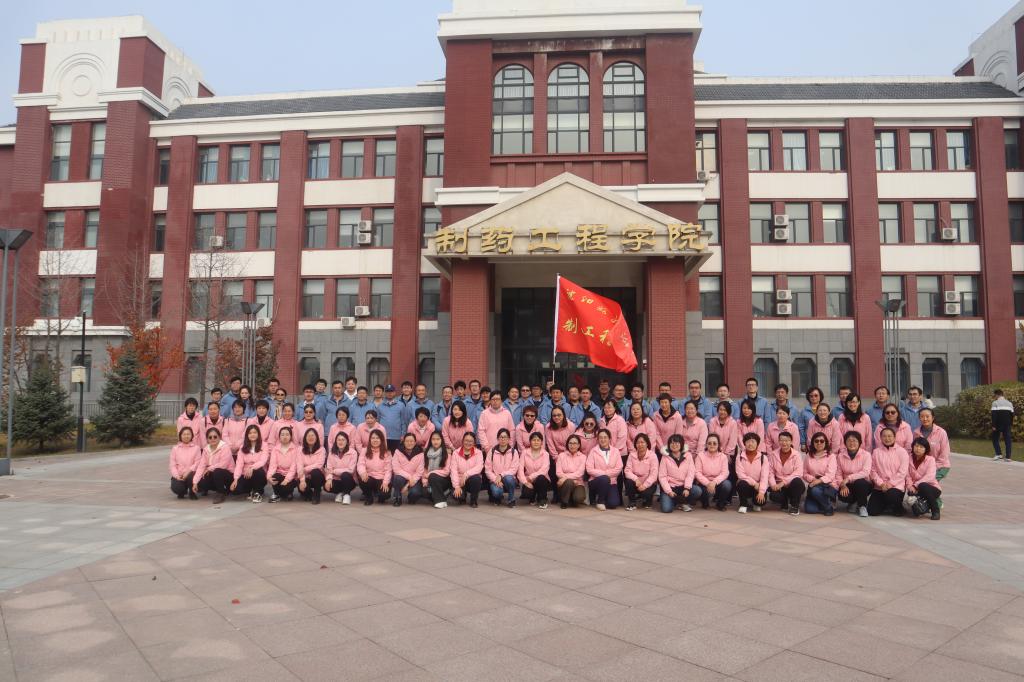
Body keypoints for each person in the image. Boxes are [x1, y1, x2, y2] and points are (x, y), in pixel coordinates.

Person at [867, 426, 910, 517]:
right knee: (872, 511)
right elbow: (872, 470)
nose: (887, 438)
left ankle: (898, 507)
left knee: (891, 495)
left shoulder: (902, 452)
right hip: (880, 486)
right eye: (884, 436)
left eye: (889, 436)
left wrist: (890, 484)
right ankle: (886, 505)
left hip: (896, 486)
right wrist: (881, 484)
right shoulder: (876, 452)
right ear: (880, 438)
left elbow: (902, 472)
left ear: (894, 437)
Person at [658, 434, 699, 513]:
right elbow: (662, 477)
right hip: (670, 487)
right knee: (666, 509)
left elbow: (690, 473)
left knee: (697, 491)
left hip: (683, 487)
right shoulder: (665, 457)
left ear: (681, 444)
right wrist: (669, 491)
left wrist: (687, 488)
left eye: (677, 443)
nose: (674, 445)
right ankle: (677, 501)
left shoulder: (688, 456)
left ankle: (682, 502)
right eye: (672, 443)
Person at [767, 431, 805, 515]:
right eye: (782, 440)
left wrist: (783, 482)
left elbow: (798, 473)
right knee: (773, 496)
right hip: (779, 485)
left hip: (792, 484)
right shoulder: (773, 454)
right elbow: (770, 471)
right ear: (778, 441)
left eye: (787, 440)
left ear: (791, 441)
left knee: (797, 481)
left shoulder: (796, 455)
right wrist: (773, 484)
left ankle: (794, 506)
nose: (784, 443)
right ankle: (784, 501)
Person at [835, 431, 872, 517]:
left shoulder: (866, 455)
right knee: (843, 495)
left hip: (863, 484)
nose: (852, 443)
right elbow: (838, 474)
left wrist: (848, 478)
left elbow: (865, 472)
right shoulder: (840, 456)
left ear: (860, 442)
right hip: (847, 484)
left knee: (860, 483)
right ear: (845, 443)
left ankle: (862, 506)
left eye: (854, 440)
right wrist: (842, 485)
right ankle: (853, 502)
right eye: (849, 441)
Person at [193, 427, 234, 503]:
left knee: (217, 471)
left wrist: (209, 468)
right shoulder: (206, 449)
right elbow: (201, 466)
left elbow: (223, 465)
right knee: (201, 481)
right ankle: (219, 489)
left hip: (228, 475)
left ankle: (221, 493)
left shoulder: (225, 447)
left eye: (215, 437)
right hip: (214, 473)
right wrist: (195, 482)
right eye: (210, 437)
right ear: (207, 439)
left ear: (219, 437)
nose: (213, 439)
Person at [585, 428, 622, 511]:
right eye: (600, 437)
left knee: (613, 503)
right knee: (604, 479)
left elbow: (619, 468)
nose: (603, 439)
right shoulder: (593, 451)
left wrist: (605, 474)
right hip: (595, 481)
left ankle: (602, 496)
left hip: (612, 482)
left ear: (609, 439)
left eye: (605, 437)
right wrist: (604, 475)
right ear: (598, 439)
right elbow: (589, 469)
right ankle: (600, 502)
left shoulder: (615, 451)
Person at [230, 425, 269, 502]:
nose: (252, 434)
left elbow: (263, 461)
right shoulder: (242, 447)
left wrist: (252, 468)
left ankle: (258, 492)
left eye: (255, 432)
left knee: (258, 471)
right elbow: (239, 464)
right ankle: (251, 490)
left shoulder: (264, 445)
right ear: (247, 435)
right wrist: (236, 479)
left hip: (259, 474)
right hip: (246, 474)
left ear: (258, 434)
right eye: (250, 433)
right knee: (235, 490)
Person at [695, 433, 733, 511]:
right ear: (706, 445)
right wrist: (707, 483)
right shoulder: (700, 456)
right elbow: (697, 472)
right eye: (709, 443)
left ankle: (720, 504)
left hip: (717, 483)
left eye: (714, 443)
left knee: (727, 484)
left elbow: (725, 473)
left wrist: (714, 482)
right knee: (701, 491)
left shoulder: (723, 457)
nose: (712, 445)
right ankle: (705, 503)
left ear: (718, 445)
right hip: (704, 483)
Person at [802, 432, 837, 516]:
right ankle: (823, 504)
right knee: (810, 509)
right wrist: (813, 479)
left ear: (826, 443)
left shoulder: (831, 456)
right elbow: (804, 472)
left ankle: (828, 507)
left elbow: (831, 475)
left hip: (827, 485)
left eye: (822, 441)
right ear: (813, 443)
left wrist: (818, 481)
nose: (819, 443)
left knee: (815, 490)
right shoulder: (808, 456)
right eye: (816, 441)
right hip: (813, 483)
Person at [907, 437, 941, 520]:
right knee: (917, 512)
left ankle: (935, 511)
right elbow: (907, 475)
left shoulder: (930, 460)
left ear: (926, 449)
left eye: (921, 447)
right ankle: (925, 506)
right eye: (916, 446)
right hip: (915, 488)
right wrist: (910, 487)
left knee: (923, 485)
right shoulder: (908, 458)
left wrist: (915, 485)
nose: (918, 449)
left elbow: (930, 476)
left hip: (932, 488)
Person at [735, 433, 770, 514]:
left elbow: (765, 476)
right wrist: (754, 484)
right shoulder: (739, 457)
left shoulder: (763, 458)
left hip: (758, 486)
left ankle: (755, 502)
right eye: (748, 442)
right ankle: (743, 504)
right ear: (744, 443)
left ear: (757, 443)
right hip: (747, 484)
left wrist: (761, 491)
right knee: (742, 483)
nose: (750, 444)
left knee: (760, 503)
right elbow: (741, 474)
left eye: (753, 441)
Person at [357, 430, 392, 506]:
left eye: (377, 438)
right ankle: (369, 497)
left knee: (384, 495)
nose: (375, 440)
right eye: (373, 438)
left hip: (381, 478)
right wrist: (363, 472)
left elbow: (388, 470)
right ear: (370, 440)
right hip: (370, 477)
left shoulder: (387, 453)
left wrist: (385, 482)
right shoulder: (364, 450)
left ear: (381, 440)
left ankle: (380, 496)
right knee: (362, 478)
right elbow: (360, 464)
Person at [915, 408, 951, 482]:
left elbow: (944, 454)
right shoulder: (916, 433)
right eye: (922, 416)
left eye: (927, 416)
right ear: (919, 418)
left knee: (928, 483)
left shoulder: (941, 432)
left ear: (933, 417)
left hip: (940, 466)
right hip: (922, 467)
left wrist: (931, 467)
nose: (925, 419)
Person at [486, 429, 520, 507]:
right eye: (501, 437)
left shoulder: (513, 452)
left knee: (509, 478)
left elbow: (514, 469)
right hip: (495, 479)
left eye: (505, 437)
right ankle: (498, 497)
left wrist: (501, 475)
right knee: (497, 492)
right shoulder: (492, 451)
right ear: (497, 438)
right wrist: (495, 479)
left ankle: (511, 499)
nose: (503, 439)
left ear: (509, 439)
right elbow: (487, 470)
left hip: (508, 479)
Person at [624, 433, 658, 511]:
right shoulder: (631, 455)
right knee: (628, 482)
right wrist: (636, 479)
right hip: (636, 483)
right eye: (638, 443)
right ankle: (632, 503)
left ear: (647, 443)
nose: (640, 444)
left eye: (642, 442)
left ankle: (647, 500)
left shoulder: (653, 456)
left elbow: (654, 474)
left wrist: (645, 485)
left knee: (646, 494)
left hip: (648, 484)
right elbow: (627, 471)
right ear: (635, 444)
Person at [450, 432, 484, 507]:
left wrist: (466, 474)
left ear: (474, 443)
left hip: (472, 480)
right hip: (460, 481)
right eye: (466, 440)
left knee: (476, 478)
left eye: (471, 441)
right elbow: (453, 471)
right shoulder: (456, 453)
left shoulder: (478, 453)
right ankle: (463, 497)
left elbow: (479, 467)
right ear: (462, 441)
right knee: (457, 496)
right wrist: (456, 486)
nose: (468, 443)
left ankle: (473, 500)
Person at [518, 431, 551, 509]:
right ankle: (532, 496)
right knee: (527, 494)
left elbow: (544, 470)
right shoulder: (524, 452)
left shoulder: (545, 454)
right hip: (528, 481)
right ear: (530, 442)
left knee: (541, 477)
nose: (536, 442)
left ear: (541, 442)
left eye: (538, 440)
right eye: (534, 440)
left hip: (542, 480)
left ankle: (542, 499)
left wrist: (531, 477)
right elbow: (520, 469)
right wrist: (525, 482)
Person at [391, 433, 425, 507]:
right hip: (402, 477)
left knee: (415, 493)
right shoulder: (398, 451)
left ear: (415, 442)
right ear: (404, 442)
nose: (409, 443)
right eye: (407, 441)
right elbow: (396, 469)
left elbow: (419, 472)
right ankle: (397, 497)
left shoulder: (420, 453)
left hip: (414, 479)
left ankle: (410, 498)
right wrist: (409, 477)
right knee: (397, 478)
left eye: (411, 441)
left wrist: (407, 486)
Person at [324, 431, 358, 505]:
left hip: (349, 480)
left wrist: (334, 471)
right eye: (339, 440)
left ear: (347, 442)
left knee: (345, 475)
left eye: (343, 440)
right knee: (326, 486)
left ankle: (346, 495)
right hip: (336, 479)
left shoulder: (353, 453)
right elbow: (329, 469)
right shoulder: (331, 453)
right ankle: (341, 492)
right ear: (336, 442)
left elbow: (351, 470)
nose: (341, 442)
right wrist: (329, 479)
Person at [555, 434, 588, 509]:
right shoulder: (561, 455)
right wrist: (569, 479)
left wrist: (565, 477)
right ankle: (564, 502)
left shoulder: (583, 457)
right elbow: (558, 472)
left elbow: (580, 473)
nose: (572, 445)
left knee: (578, 498)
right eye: (570, 443)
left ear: (579, 445)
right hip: (564, 483)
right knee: (569, 482)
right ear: (567, 444)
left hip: (578, 483)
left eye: (575, 443)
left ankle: (570, 499)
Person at [267, 427, 299, 502]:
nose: (285, 437)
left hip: (291, 476)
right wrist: (269, 476)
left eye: (287, 434)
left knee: (286, 488)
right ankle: (276, 494)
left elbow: (293, 467)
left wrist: (287, 479)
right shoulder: (275, 449)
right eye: (282, 434)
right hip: (280, 473)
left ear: (291, 436)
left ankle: (289, 493)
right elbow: (273, 465)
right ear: (279, 437)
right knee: (274, 477)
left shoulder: (295, 449)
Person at [169, 426, 201, 500]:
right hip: (179, 475)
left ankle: (192, 492)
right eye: (184, 434)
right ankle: (182, 492)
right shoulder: (175, 449)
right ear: (180, 436)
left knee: (191, 475)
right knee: (177, 488)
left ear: (192, 436)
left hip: (191, 474)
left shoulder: (196, 448)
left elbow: (197, 463)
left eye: (188, 434)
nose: (186, 436)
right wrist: (177, 476)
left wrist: (188, 471)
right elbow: (172, 465)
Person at [422, 431, 452, 509]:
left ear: (441, 440)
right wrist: (424, 480)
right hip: (429, 479)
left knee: (433, 476)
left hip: (444, 480)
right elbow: (424, 470)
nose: (435, 441)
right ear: (430, 441)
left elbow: (446, 472)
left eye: (438, 439)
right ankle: (442, 495)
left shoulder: (447, 454)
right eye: (433, 439)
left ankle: (440, 501)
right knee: (423, 492)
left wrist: (431, 473)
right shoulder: (426, 453)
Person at [296, 428, 327, 504]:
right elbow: (299, 465)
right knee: (302, 489)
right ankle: (310, 494)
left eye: (313, 435)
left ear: (316, 438)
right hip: (305, 476)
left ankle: (317, 493)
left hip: (318, 477)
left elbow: (319, 464)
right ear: (305, 438)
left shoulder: (322, 449)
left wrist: (305, 469)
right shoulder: (300, 449)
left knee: (315, 472)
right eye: (308, 436)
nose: (311, 437)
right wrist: (302, 481)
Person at [377, 384, 407, 452]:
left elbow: (403, 422)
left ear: (394, 392)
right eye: (387, 391)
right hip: (383, 436)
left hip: (397, 437)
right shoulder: (380, 406)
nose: (389, 393)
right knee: (383, 455)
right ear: (385, 393)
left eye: (391, 391)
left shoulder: (401, 405)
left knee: (396, 455)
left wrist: (403, 435)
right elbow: (377, 422)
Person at [991, 388, 1015, 462]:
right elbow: (1012, 415)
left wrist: (993, 425)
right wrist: (1010, 424)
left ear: (997, 395)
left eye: (995, 395)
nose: (994, 396)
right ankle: (1008, 457)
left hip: (998, 424)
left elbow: (994, 415)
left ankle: (999, 454)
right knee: (1008, 440)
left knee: (995, 439)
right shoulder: (1009, 403)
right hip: (1007, 424)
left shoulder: (995, 403)